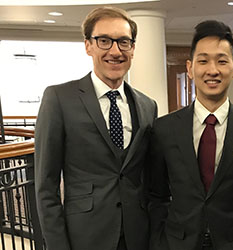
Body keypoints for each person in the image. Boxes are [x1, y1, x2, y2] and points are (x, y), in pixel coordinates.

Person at [34, 7, 157, 250]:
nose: (115, 51)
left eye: (123, 42)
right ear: (88, 46)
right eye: (104, 41)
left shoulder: (147, 105)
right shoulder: (59, 98)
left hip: (137, 235)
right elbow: (46, 186)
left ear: (132, 48)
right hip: (84, 236)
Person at [147, 20, 233, 250]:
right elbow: (157, 195)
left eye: (221, 61)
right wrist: (158, 240)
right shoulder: (164, 129)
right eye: (203, 61)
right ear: (190, 68)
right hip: (176, 243)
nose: (212, 70)